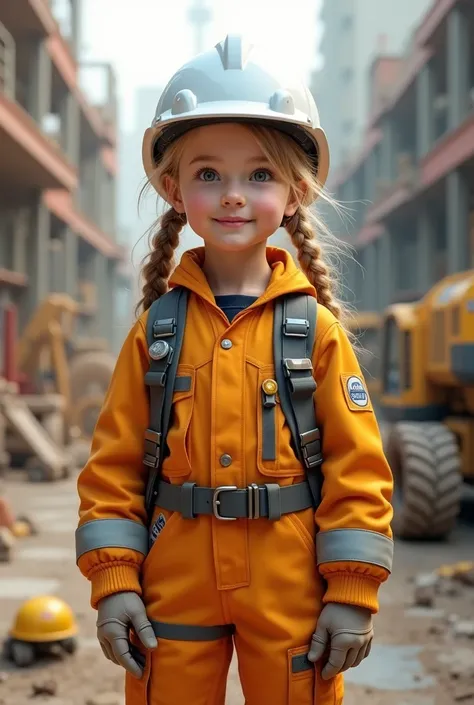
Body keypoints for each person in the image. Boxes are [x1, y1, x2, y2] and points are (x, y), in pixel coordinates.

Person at [75, 34, 393, 705]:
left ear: (297, 190)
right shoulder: (157, 331)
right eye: (208, 174)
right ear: (173, 188)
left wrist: (352, 591)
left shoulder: (317, 334)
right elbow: (113, 470)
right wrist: (114, 584)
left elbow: (357, 469)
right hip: (174, 585)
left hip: (290, 586)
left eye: (260, 174)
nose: (232, 196)